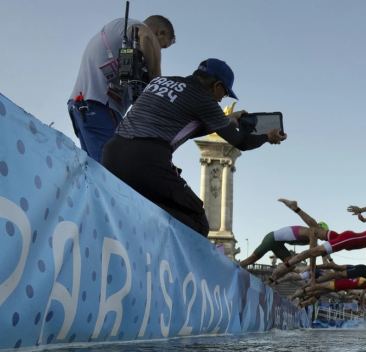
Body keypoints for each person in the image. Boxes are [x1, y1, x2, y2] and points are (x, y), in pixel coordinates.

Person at [102, 58, 286, 236]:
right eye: (225, 93)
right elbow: (242, 142)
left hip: (112, 153)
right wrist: (267, 137)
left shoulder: (160, 81)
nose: (223, 99)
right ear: (217, 86)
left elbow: (183, 122)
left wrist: (228, 119)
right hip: (146, 159)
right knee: (197, 220)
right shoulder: (203, 99)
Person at [68, 15, 176, 162]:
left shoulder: (124, 38)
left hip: (84, 107)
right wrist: (156, 83)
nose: (159, 51)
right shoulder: (133, 26)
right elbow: (146, 35)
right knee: (113, 170)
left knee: (97, 173)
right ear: (160, 33)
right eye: (162, 46)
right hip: (100, 107)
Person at [271, 203, 366, 280]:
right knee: (313, 251)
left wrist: (364, 219)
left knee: (317, 232)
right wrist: (361, 210)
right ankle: (284, 268)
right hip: (348, 240)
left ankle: (296, 208)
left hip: (349, 240)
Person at [239, 198, 335, 267]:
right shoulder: (312, 232)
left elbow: (320, 251)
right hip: (271, 238)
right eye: (325, 234)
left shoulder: (313, 238)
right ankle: (234, 267)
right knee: (251, 259)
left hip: (279, 244)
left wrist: (329, 260)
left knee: (290, 265)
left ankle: (273, 279)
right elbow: (313, 252)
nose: (325, 237)